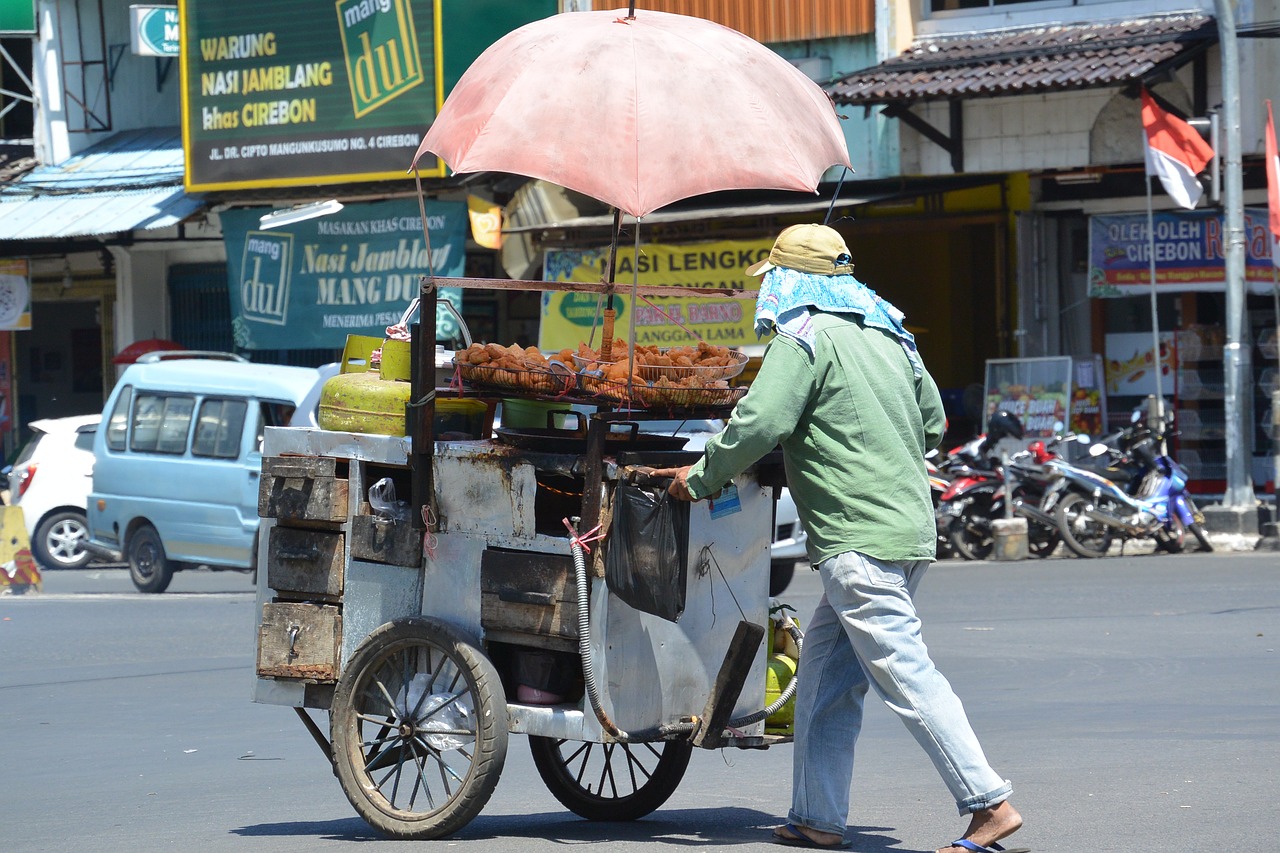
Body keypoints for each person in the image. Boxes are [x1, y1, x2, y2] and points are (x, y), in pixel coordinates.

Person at [652, 224, 1024, 853]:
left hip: (858, 540)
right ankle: (817, 818)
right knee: (825, 679)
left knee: (905, 674)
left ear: (788, 278)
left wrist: (702, 477)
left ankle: (989, 802)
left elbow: (761, 419)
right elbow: (932, 422)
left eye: (771, 276)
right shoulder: (890, 333)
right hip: (906, 529)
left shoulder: (803, 339)